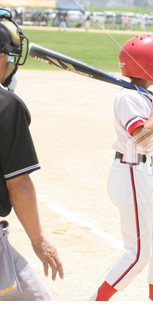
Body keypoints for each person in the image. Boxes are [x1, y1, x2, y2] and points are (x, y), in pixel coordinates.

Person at [89, 34, 153, 301]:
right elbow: (140, 135)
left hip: (144, 174)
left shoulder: (144, 96)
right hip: (130, 171)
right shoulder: (127, 97)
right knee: (138, 255)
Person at [0, 10, 64, 301]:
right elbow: (19, 185)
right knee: (39, 304)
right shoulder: (7, 105)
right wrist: (39, 242)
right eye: (10, 55)